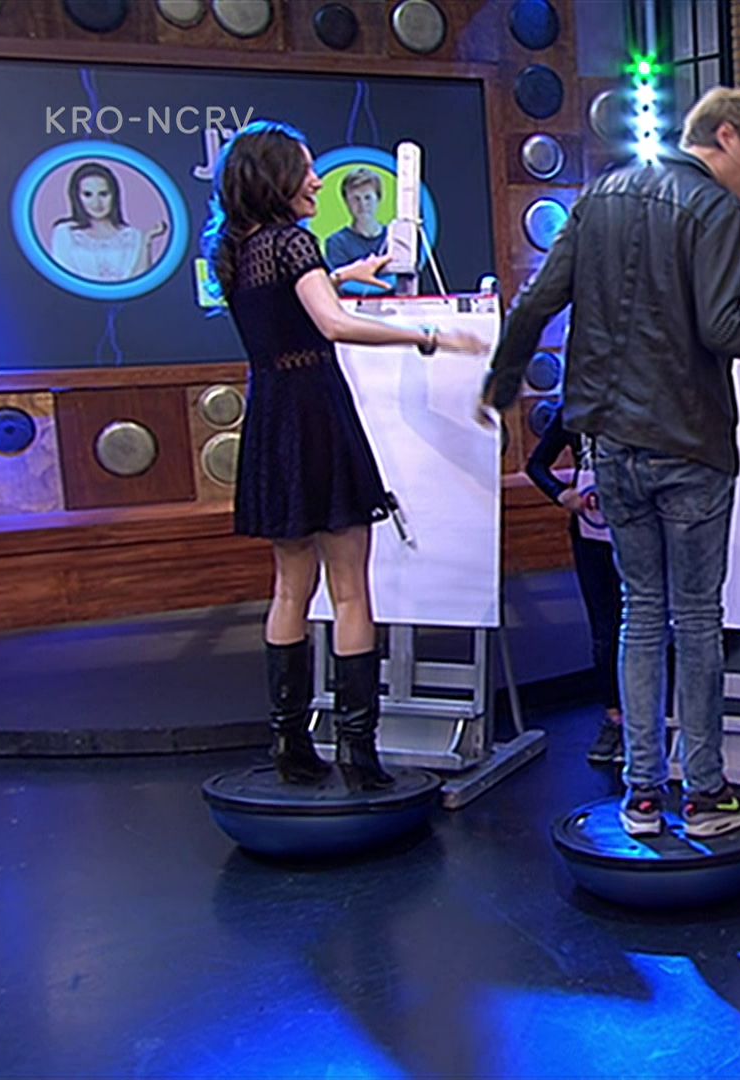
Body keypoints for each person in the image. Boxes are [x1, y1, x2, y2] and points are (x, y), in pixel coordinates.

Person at [478, 86, 740, 840]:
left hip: (610, 447)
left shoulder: (599, 195)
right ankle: (704, 796)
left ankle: (640, 796)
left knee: (640, 614)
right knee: (695, 620)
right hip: (689, 446)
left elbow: (536, 302)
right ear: (725, 135)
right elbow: (722, 328)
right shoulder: (716, 211)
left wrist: (501, 385)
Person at [204, 120, 486, 792]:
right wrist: (427, 336)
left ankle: (290, 745)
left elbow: (288, 302)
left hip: (272, 418)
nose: (317, 180)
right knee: (352, 589)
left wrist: (343, 274)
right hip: (317, 416)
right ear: (275, 177)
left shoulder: (239, 248)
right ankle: (359, 754)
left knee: (289, 588)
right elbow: (330, 323)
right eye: (306, 169)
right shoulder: (293, 242)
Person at [525, 402, 626, 764]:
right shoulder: (572, 411)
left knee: (645, 625)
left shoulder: (643, 399)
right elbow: (536, 465)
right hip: (590, 534)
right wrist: (561, 493)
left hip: (639, 527)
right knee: (604, 628)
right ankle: (614, 718)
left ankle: (647, 720)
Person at [48, 162, 168, 282]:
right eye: (87, 194)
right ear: (77, 197)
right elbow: (65, 279)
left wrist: (146, 242)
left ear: (114, 195)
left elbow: (140, 282)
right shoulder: (65, 232)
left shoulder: (134, 235)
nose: (96, 203)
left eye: (103, 194)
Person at [325, 168, 393, 295]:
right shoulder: (336, 242)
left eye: (368, 197)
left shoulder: (394, 238)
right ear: (346, 202)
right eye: (356, 199)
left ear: (378, 199)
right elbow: (339, 286)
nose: (362, 205)